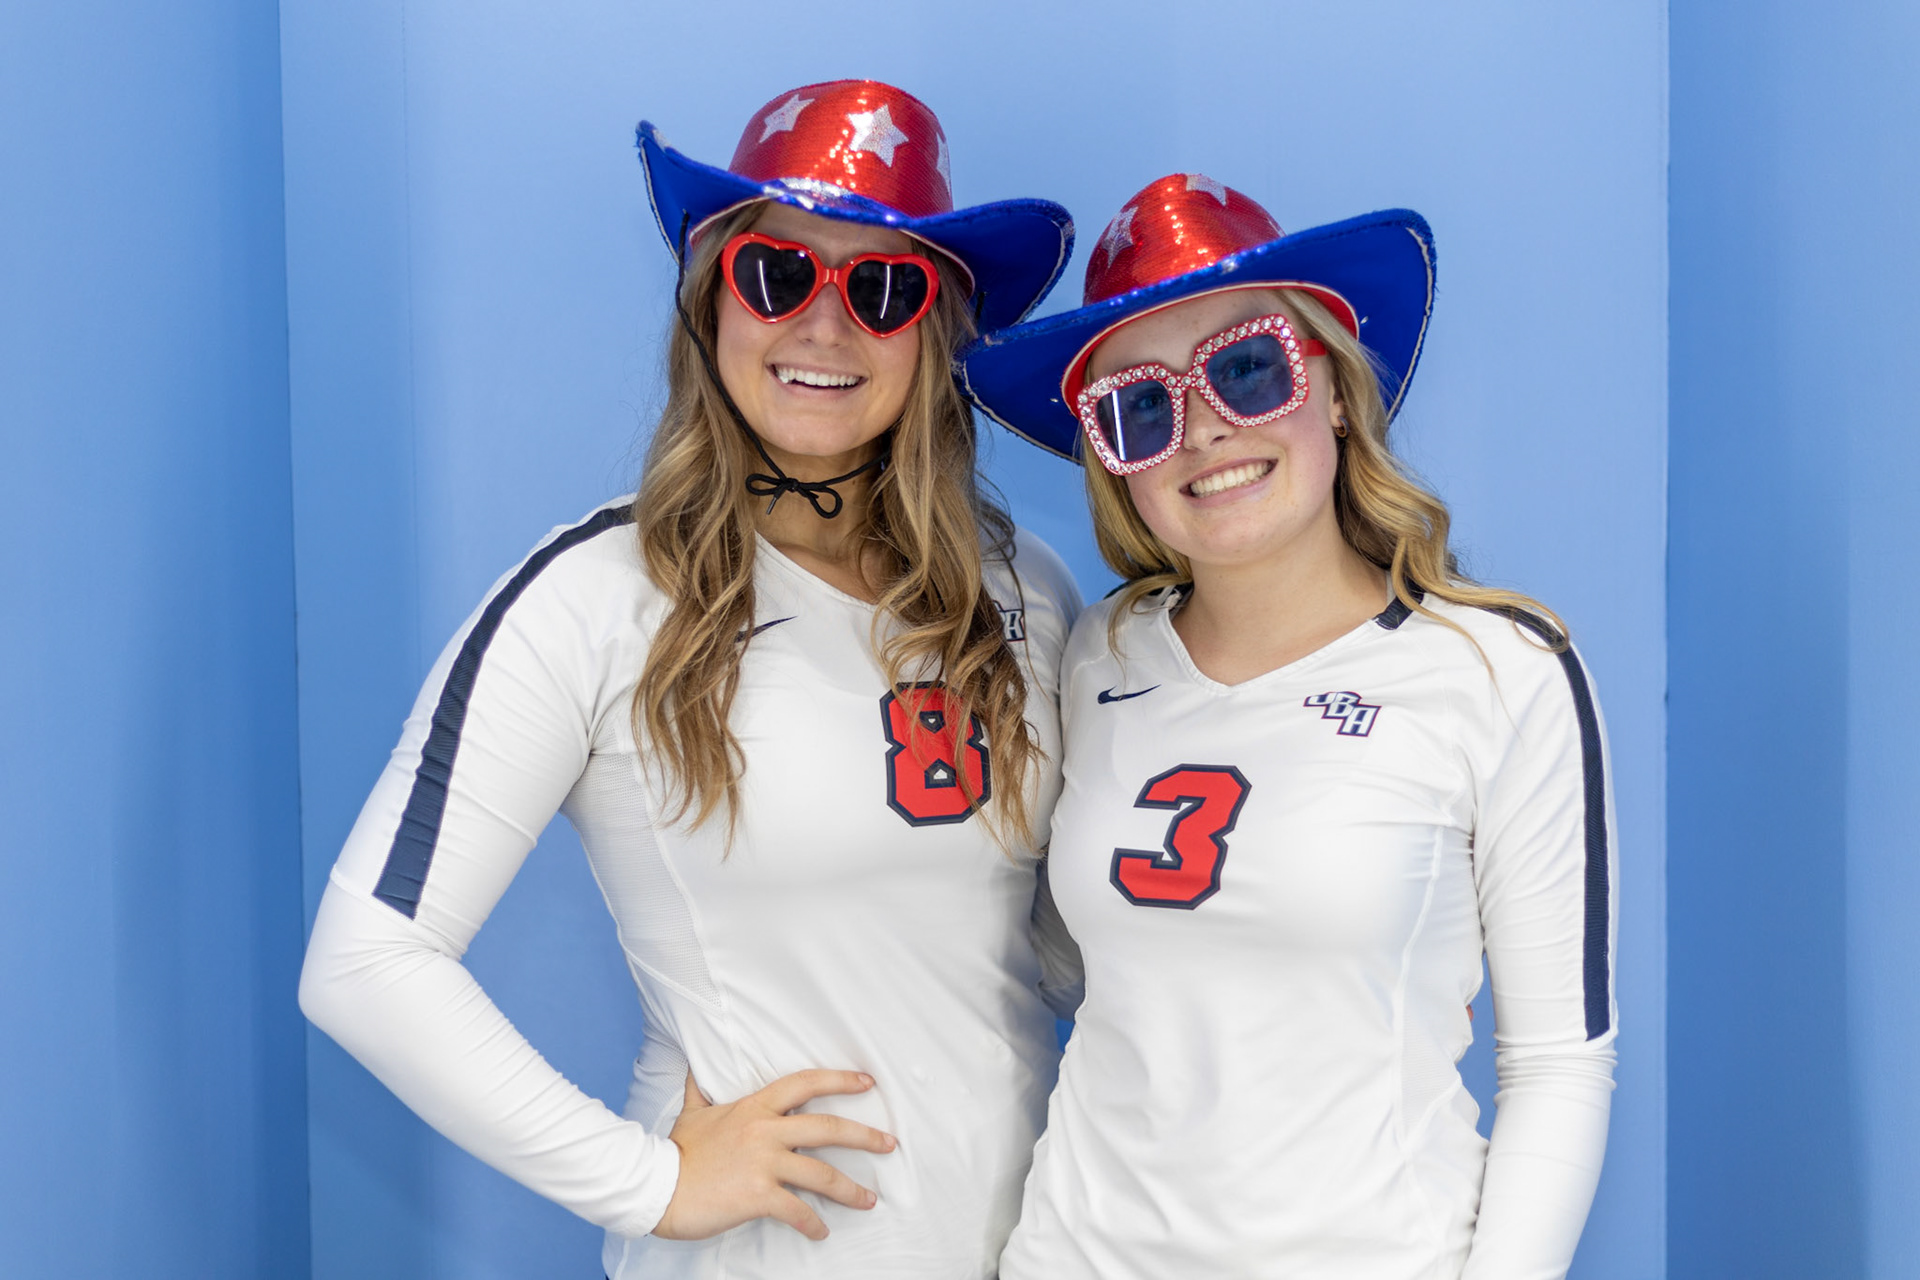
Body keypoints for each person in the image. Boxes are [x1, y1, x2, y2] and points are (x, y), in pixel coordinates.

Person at [298, 80, 1085, 1280]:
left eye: (881, 288)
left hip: (1040, 1247)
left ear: (935, 336)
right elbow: (365, 958)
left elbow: (1062, 941)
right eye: (776, 273)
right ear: (711, 304)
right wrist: (648, 1180)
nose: (823, 325)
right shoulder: (594, 596)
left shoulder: (1021, 587)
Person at [960, 174, 1617, 1279]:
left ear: (1338, 389)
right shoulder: (1099, 655)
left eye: (1248, 366)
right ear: (1115, 466)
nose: (1205, 431)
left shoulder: (1496, 668)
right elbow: (1066, 966)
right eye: (1140, 409)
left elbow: (1558, 1063)